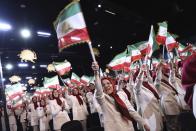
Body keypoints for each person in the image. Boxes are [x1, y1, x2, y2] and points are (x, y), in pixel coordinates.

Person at [92, 62, 150, 131]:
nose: (106, 86)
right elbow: (98, 92)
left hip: (128, 127)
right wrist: (96, 73)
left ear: (112, 85)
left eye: (108, 83)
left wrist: (144, 123)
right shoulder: (103, 99)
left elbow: (131, 111)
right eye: (103, 85)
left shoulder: (121, 95)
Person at [134, 64, 163, 131]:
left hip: (157, 113)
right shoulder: (137, 89)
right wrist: (140, 72)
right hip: (148, 117)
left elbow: (158, 80)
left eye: (145, 74)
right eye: (142, 75)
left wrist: (159, 70)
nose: (144, 75)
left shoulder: (150, 84)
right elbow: (138, 84)